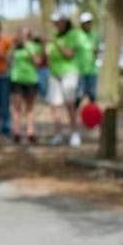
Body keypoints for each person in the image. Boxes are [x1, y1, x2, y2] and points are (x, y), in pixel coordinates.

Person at [45, 11, 82, 147]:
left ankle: (74, 133)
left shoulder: (73, 34)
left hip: (69, 73)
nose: (56, 24)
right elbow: (49, 60)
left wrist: (56, 43)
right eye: (55, 22)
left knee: (70, 104)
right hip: (54, 74)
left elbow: (69, 54)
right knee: (55, 105)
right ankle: (58, 134)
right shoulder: (54, 37)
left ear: (65, 22)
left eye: (59, 21)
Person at [9, 26, 43, 144]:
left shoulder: (34, 46)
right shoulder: (16, 48)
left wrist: (29, 48)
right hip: (17, 79)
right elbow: (9, 60)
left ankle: (30, 132)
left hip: (31, 79)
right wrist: (13, 48)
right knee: (16, 107)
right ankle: (16, 132)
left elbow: (38, 62)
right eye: (21, 34)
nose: (23, 37)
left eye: (26, 34)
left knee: (29, 108)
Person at [76, 11, 99, 105]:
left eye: (89, 22)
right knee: (79, 95)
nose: (88, 24)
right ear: (82, 24)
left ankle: (91, 117)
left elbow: (96, 52)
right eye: (86, 23)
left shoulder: (95, 36)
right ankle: (74, 116)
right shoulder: (76, 35)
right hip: (80, 70)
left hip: (92, 70)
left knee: (92, 95)